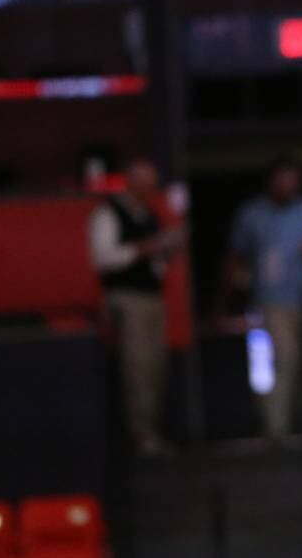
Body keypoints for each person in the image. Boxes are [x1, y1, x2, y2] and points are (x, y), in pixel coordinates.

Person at [225, 156, 302, 437]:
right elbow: (235, 257)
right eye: (283, 179)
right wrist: (229, 299)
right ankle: (276, 429)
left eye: (293, 179)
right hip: (271, 301)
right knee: (283, 359)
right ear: (272, 181)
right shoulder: (254, 214)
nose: (288, 185)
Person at [88, 158, 184, 457]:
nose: (151, 189)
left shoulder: (150, 215)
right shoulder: (108, 213)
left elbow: (156, 264)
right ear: (131, 182)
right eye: (146, 182)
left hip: (152, 298)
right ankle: (141, 437)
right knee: (138, 367)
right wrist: (145, 248)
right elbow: (103, 258)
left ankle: (150, 432)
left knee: (155, 367)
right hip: (126, 300)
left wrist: (165, 250)